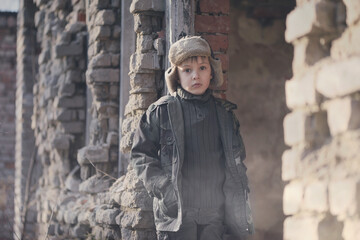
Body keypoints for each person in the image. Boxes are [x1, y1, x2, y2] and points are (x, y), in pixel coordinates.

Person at [131, 36, 254, 240]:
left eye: (202, 68)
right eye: (187, 70)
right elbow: (141, 155)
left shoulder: (224, 115)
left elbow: (237, 162)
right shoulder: (162, 111)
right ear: (177, 76)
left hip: (216, 215)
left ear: (211, 71)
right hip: (177, 214)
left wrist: (237, 208)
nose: (195, 76)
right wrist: (165, 190)